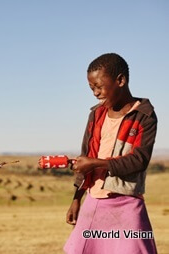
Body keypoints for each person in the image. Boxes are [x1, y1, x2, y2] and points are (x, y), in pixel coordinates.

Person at [64, 53, 157, 253]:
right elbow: (85, 154)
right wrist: (76, 199)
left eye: (99, 86)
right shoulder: (95, 115)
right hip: (94, 200)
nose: (95, 93)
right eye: (91, 88)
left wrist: (96, 163)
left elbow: (139, 161)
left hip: (127, 201)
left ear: (120, 80)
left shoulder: (145, 116)